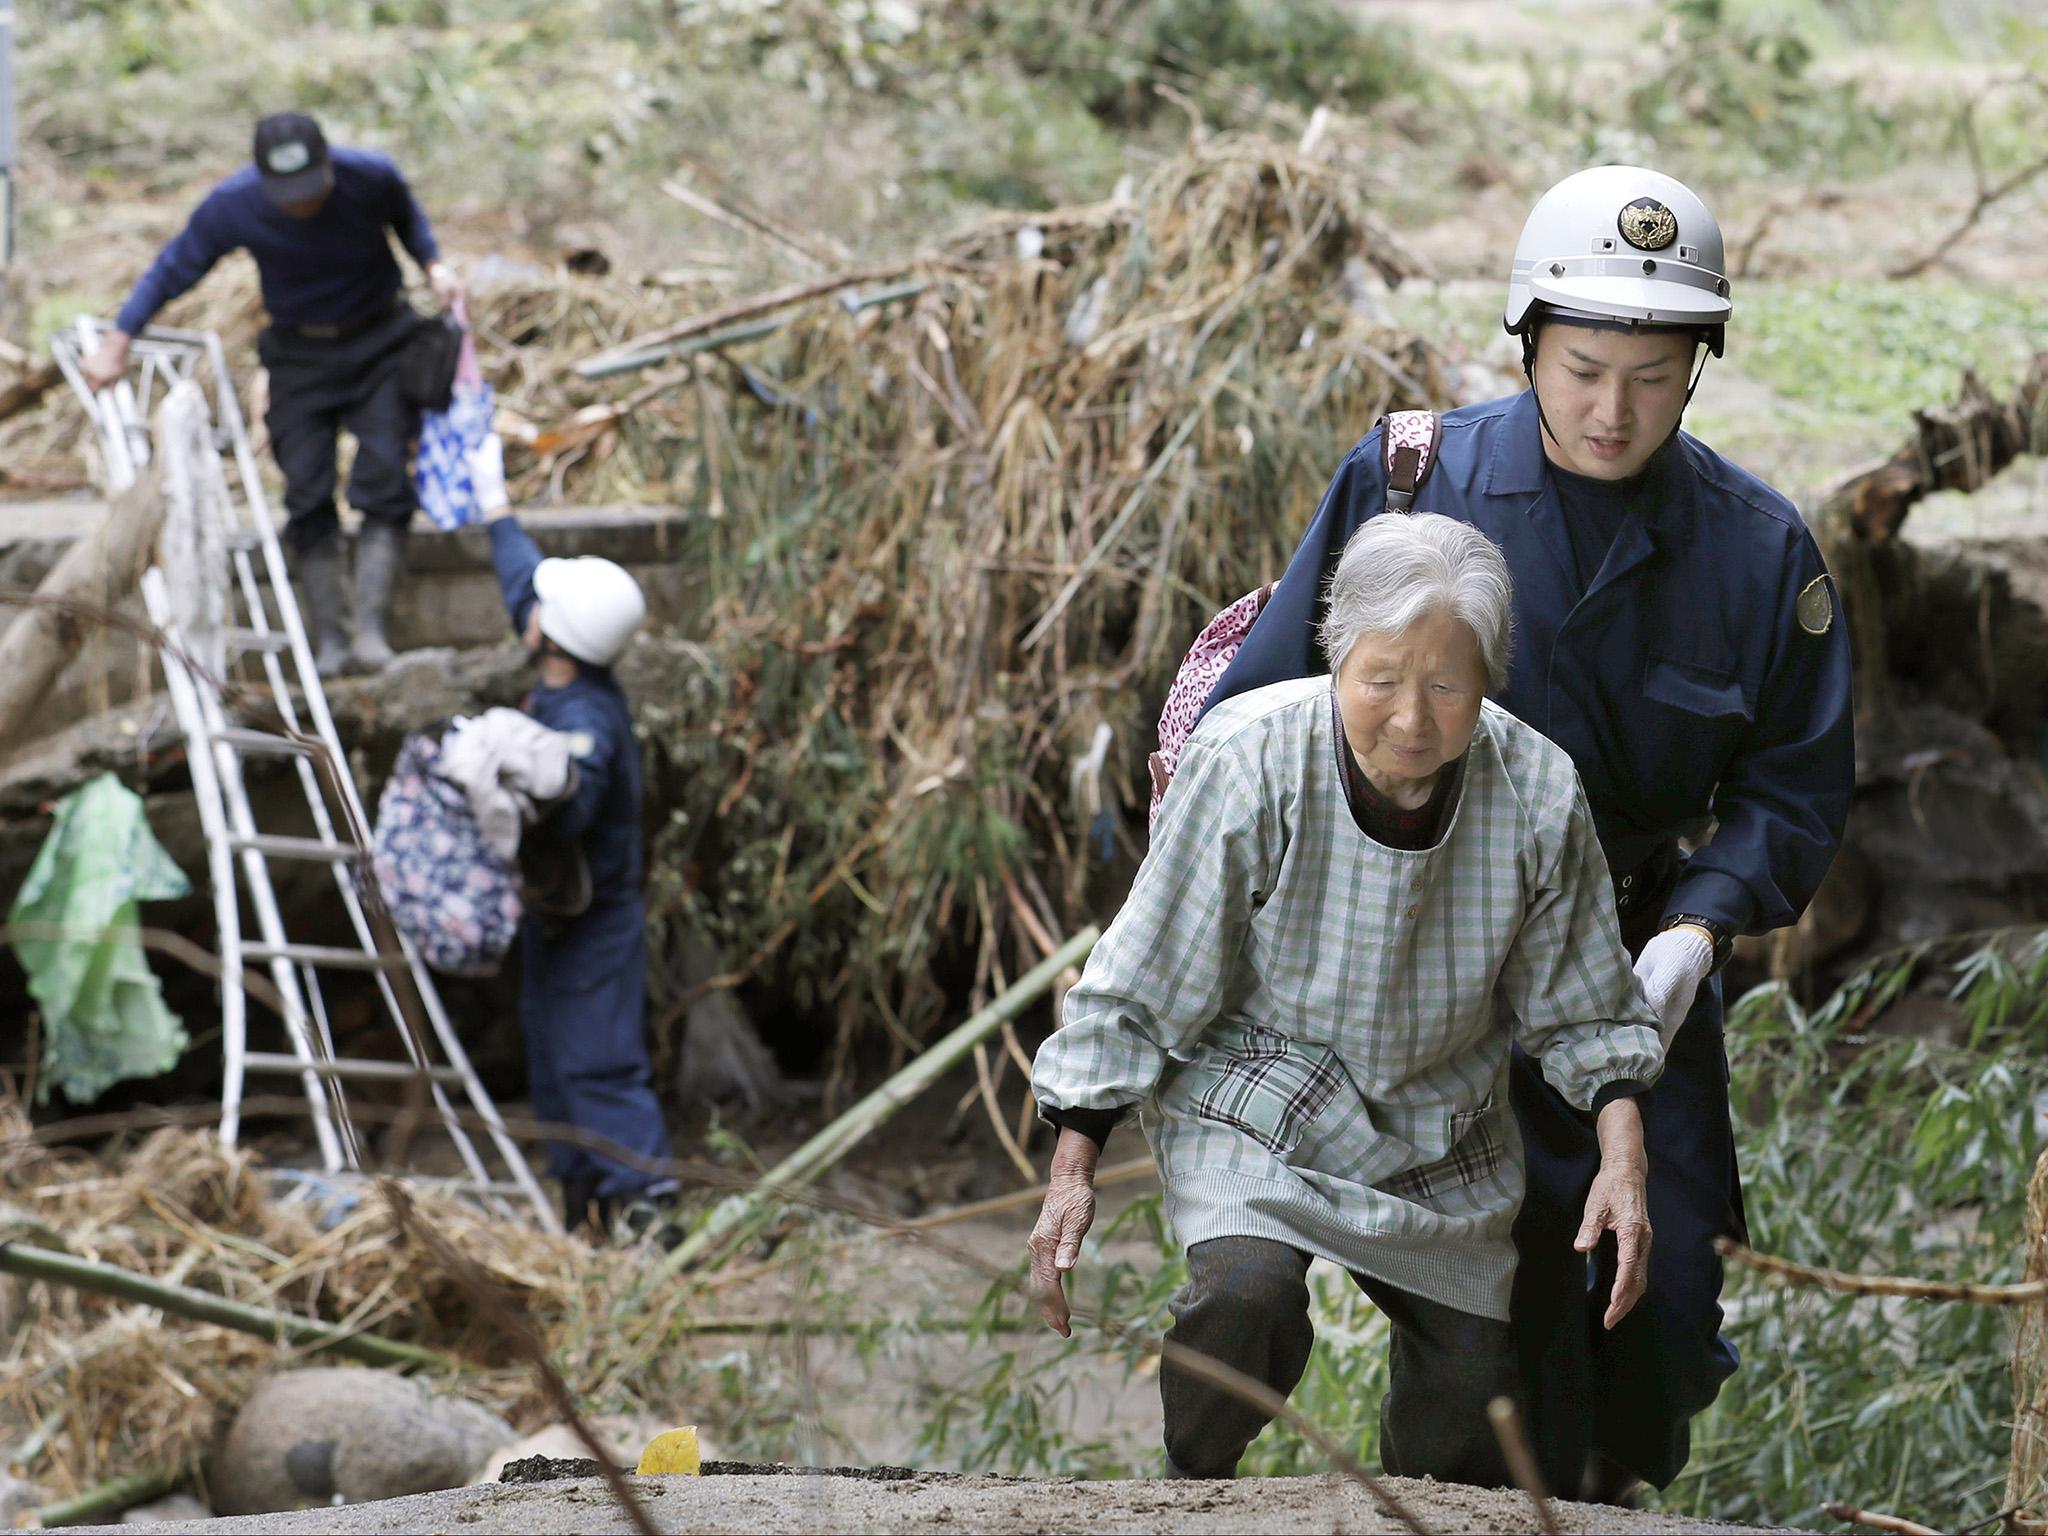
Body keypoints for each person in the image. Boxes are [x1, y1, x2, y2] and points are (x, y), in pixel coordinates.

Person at [1201, 165, 1855, 1500]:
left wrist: (1698, 924)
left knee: (1655, 1317)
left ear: (1700, 368)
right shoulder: (1407, 490)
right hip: (1400, 961)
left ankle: (1593, 1489)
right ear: (1528, 344)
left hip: (1625, 976)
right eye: (1583, 369)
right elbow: (1252, 722)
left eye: (1654, 377)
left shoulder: (1758, 552)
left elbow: (1794, 789)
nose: (1615, 411)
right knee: (1432, 1327)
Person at [1028, 513, 1666, 1486]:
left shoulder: (1535, 791)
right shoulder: (1251, 760)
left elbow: (1583, 1006)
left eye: (1445, 687)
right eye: (1380, 681)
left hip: (1437, 1123)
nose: (1410, 721)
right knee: (1239, 1302)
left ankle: (1410, 1514)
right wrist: (1071, 1167)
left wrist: (1621, 1162)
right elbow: (1144, 973)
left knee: (1468, 1402)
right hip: (1253, 1093)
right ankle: (1187, 1495)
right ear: (1337, 659)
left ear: (1486, 681)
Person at [82, 111, 464, 676]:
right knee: (307, 491)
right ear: (264, 181)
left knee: (384, 476)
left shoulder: (370, 176)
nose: (303, 205)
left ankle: (373, 636)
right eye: (289, 196)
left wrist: (433, 264)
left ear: (329, 165)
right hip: (300, 357)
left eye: (312, 190)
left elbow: (408, 220)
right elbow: (173, 269)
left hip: (382, 343)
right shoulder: (233, 205)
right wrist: (117, 342)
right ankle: (330, 640)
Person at [470, 432, 680, 1242]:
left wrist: (513, 776)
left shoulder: (587, 719)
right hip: (554, 925)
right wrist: (495, 505)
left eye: (540, 612)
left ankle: (648, 1212)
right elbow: (526, 580)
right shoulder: (567, 657)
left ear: (553, 639)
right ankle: (584, 1217)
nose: (526, 609)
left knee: (599, 1064)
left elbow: (577, 808)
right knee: (556, 1077)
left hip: (595, 927)